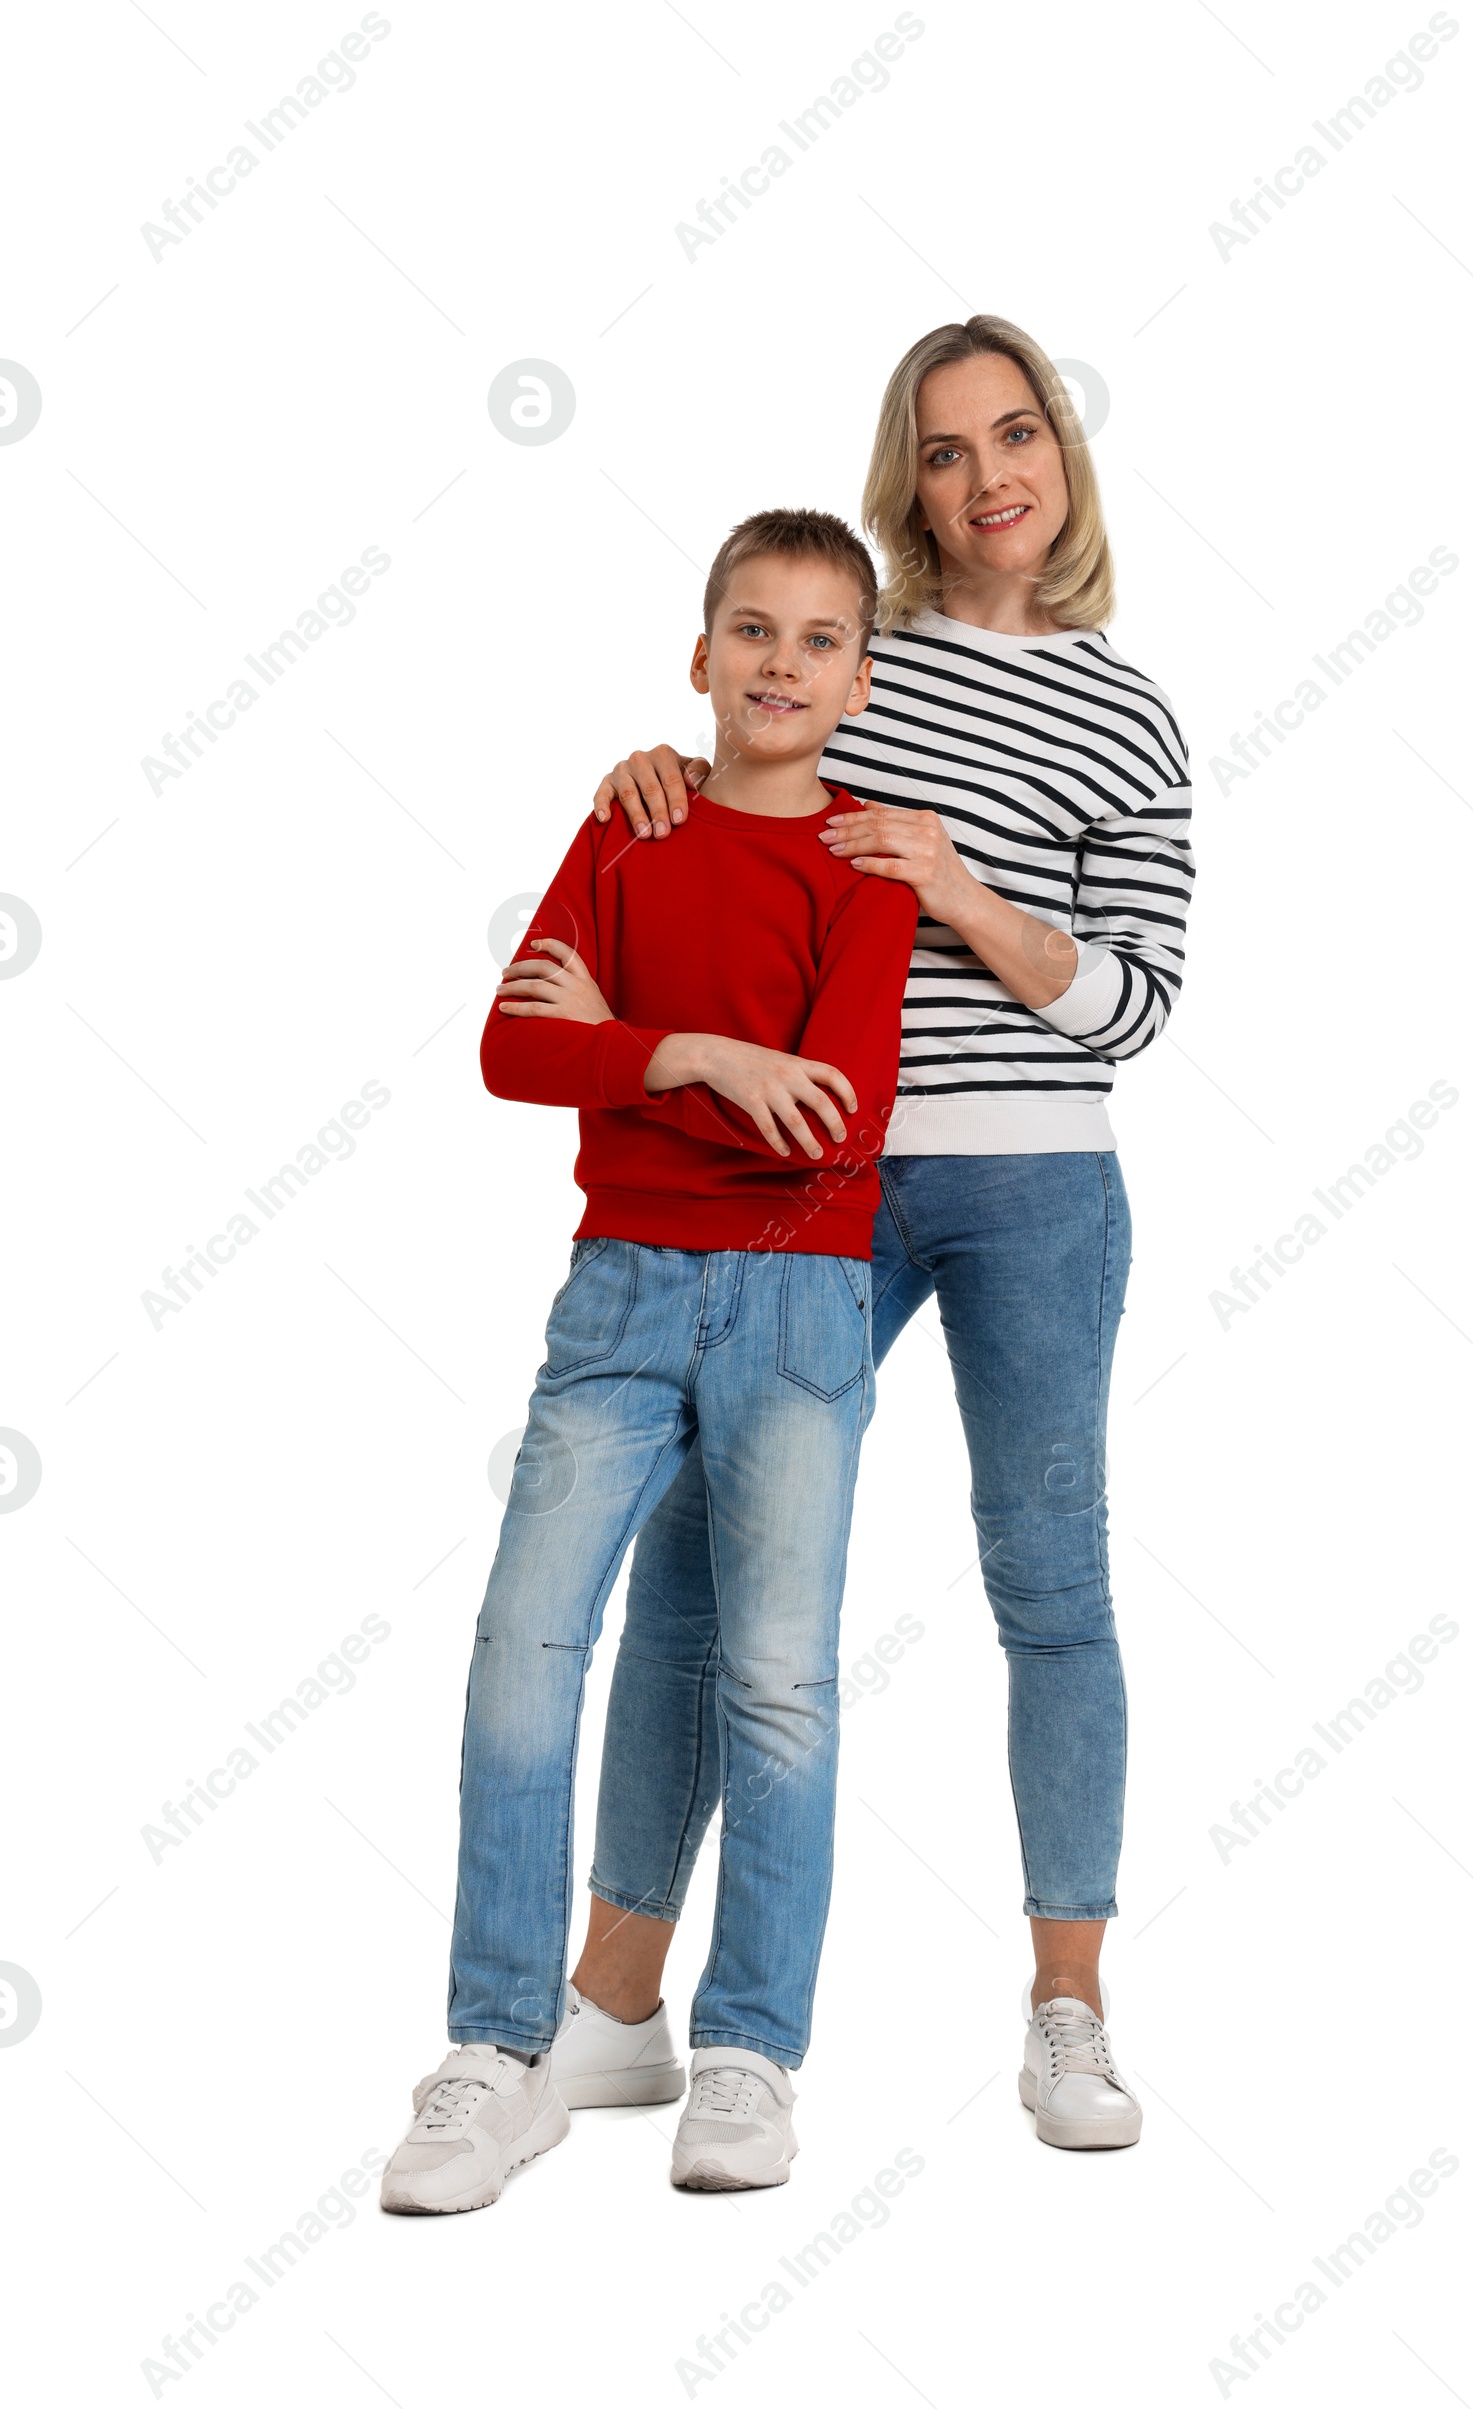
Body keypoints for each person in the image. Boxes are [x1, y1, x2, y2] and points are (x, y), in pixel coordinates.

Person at [558, 316, 1194, 2151]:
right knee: (699, 1563)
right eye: (942, 448)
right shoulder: (868, 651)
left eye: (1015, 434)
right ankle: (613, 2002)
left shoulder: (1129, 709)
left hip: (1035, 1183)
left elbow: (1139, 1007)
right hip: (818, 1175)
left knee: (1048, 1578)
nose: (987, 474)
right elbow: (745, 777)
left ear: (1060, 454)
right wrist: (652, 781)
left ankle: (1068, 2009)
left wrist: (965, 891)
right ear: (903, 483)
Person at [379, 509, 918, 2212]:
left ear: (860, 671)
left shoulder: (869, 866)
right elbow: (507, 1046)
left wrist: (625, 1057)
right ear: (701, 657)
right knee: (526, 1645)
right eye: (749, 630)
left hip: (799, 1299)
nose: (779, 662)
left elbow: (841, 1123)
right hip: (614, 1292)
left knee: (778, 1677)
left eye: (819, 637)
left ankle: (750, 2050)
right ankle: (499, 2051)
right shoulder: (627, 826)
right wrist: (693, 1051)